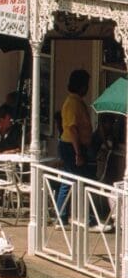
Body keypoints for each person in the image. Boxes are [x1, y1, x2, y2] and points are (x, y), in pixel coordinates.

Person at [55, 69, 93, 224]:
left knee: (70, 180)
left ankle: (63, 216)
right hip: (71, 146)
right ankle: (82, 217)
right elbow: (72, 129)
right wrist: (78, 153)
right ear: (81, 86)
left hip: (74, 146)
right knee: (74, 179)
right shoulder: (72, 103)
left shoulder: (77, 102)